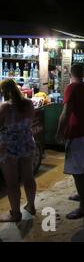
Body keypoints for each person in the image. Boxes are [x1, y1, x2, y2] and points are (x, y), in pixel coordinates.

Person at [56, 64, 84, 219]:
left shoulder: (71, 88)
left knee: (77, 171)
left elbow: (66, 113)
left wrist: (59, 131)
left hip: (76, 132)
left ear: (71, 73)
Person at [0, 79, 36, 222]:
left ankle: (15, 214)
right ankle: (31, 206)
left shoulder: (5, 107)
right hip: (27, 142)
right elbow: (30, 122)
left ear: (4, 92)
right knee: (28, 177)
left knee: (12, 182)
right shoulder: (28, 103)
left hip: (9, 147)